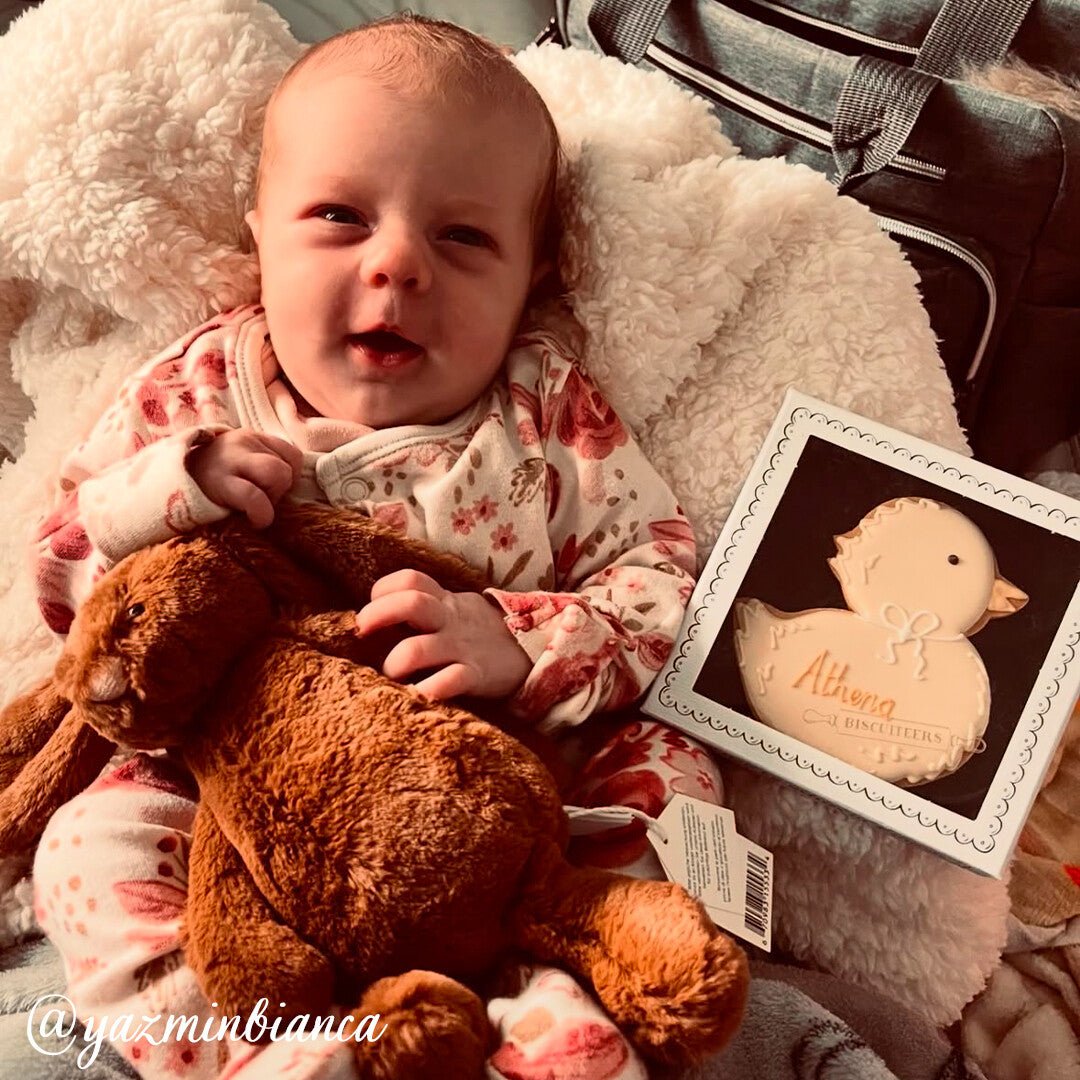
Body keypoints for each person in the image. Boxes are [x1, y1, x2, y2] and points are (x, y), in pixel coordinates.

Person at [30, 15, 723, 1080]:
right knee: (88, 842)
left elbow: (663, 585)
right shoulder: (201, 387)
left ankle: (554, 1015)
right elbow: (66, 575)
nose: (397, 262)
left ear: (533, 277)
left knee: (676, 782)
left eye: (464, 239)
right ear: (260, 233)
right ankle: (250, 1050)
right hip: (234, 792)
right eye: (340, 217)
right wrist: (170, 494)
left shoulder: (546, 414)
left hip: (500, 789)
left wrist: (520, 638)